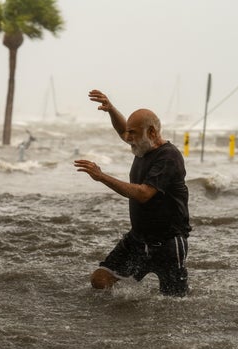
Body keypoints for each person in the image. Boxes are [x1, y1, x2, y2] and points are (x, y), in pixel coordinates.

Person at [74, 90, 191, 297]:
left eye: (133, 134)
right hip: (137, 239)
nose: (128, 138)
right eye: (129, 133)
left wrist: (102, 177)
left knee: (174, 303)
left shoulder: (168, 157)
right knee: (100, 280)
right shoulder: (141, 147)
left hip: (168, 243)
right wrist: (110, 109)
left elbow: (144, 193)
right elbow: (123, 131)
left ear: (152, 133)